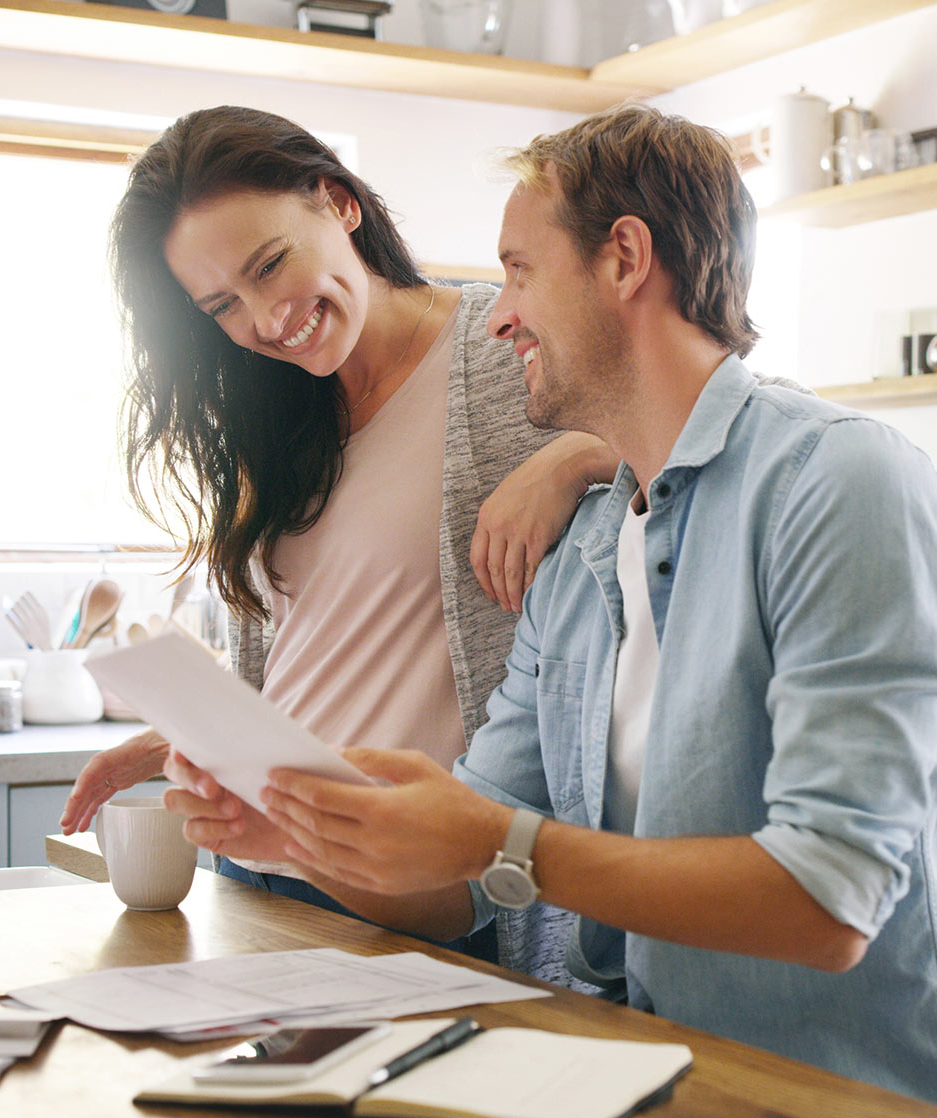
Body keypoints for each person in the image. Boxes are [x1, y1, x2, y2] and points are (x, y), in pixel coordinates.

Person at [164, 103, 937, 1118]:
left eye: (518, 271)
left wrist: (498, 842)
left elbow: (831, 899)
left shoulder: (845, 485)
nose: (500, 314)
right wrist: (296, 829)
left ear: (625, 260)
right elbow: (461, 880)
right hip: (636, 1098)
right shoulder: (581, 560)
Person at [59, 105, 617, 976]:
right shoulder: (271, 417)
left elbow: (703, 410)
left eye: (270, 264)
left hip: (428, 891)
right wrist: (194, 734)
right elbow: (318, 651)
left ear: (338, 202)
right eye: (221, 305)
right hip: (261, 873)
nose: (266, 320)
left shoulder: (503, 344)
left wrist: (574, 459)